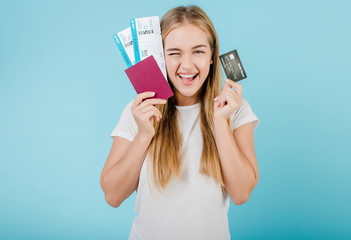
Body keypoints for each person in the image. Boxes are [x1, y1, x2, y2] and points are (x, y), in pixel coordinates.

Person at [100, 5, 260, 240]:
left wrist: (220, 122)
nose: (187, 65)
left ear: (212, 56)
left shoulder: (235, 111)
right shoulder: (138, 112)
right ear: (160, 57)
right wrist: (144, 134)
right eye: (174, 52)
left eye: (198, 51)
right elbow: (112, 196)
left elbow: (241, 193)